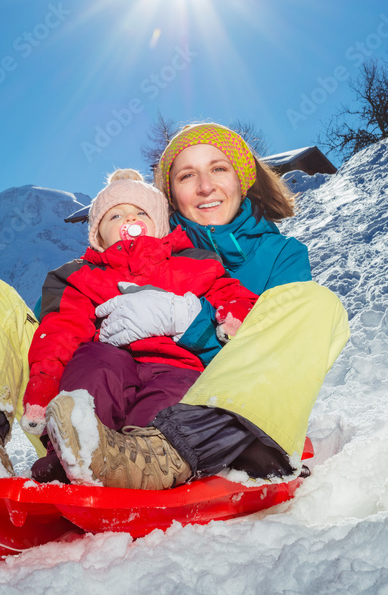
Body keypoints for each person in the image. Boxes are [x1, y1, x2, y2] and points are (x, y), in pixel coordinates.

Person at [0, 122, 349, 500]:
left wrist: (186, 321)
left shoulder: (280, 256)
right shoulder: (115, 256)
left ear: (243, 177)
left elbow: (276, 355)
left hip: (202, 422)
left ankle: (156, 453)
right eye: (187, 176)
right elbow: (52, 335)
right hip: (84, 419)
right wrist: (87, 297)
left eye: (218, 169)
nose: (206, 186)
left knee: (315, 305)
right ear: (169, 193)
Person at [21, 168, 258, 483]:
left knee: (171, 400)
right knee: (92, 368)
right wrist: (42, 386)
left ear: (159, 225)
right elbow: (60, 331)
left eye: (140, 212)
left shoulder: (193, 263)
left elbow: (231, 293)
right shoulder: (81, 276)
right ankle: (72, 450)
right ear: (98, 234)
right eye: (115, 216)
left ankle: (141, 461)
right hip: (109, 357)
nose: (128, 221)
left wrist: (234, 313)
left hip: (174, 363)